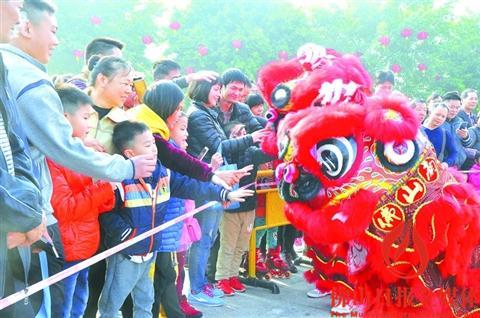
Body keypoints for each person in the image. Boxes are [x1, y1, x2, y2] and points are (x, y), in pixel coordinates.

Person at [0, 1, 156, 316]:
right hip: (38, 227)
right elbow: (38, 157)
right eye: (53, 31)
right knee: (48, 304)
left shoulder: (10, 70)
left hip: (56, 227)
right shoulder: (29, 81)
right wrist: (123, 169)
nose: (56, 41)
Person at [98, 121, 252, 317]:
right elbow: (106, 212)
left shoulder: (164, 174)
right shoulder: (120, 180)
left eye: (154, 144)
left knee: (145, 300)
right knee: (112, 304)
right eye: (147, 145)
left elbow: (192, 186)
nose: (154, 149)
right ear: (130, 154)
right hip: (126, 255)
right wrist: (126, 233)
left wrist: (223, 194)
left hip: (150, 253)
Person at [186, 76, 267, 306]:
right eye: (217, 88)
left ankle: (203, 285)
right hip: (206, 181)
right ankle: (199, 287)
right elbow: (219, 145)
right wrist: (251, 138)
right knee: (203, 239)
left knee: (209, 238)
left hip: (217, 179)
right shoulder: (199, 115)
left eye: (242, 89)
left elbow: (259, 128)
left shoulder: (216, 112)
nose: (235, 93)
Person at [47, 85, 116, 318]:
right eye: (85, 117)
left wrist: (104, 185)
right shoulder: (54, 157)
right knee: (63, 308)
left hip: (84, 246)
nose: (89, 124)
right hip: (67, 248)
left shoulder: (80, 154)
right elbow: (65, 208)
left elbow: (97, 205)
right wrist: (105, 186)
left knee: (79, 304)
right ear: (64, 118)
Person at [0, 1, 46, 316]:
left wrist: (31, 210)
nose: (19, 13)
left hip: (12, 224)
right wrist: (27, 213)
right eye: (15, 3)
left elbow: (16, 145)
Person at [215, 121, 273, 296]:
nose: (243, 136)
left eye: (244, 131)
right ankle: (222, 278)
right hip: (230, 207)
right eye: (237, 134)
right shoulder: (223, 153)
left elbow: (268, 154)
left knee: (241, 245)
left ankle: (233, 276)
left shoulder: (252, 152)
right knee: (228, 244)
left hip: (249, 206)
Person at [217, 68, 265, 132]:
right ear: (222, 86)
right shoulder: (208, 108)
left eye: (240, 90)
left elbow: (258, 130)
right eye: (233, 88)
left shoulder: (243, 109)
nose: (237, 93)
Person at [423, 103, 458, 167]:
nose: (439, 118)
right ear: (430, 113)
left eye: (443, 116)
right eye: (437, 114)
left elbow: (454, 153)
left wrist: (446, 163)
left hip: (433, 171)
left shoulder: (445, 134)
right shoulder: (419, 130)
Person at [152, 59, 217, 89]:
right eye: (174, 79)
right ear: (157, 81)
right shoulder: (152, 98)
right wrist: (192, 77)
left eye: (179, 77)